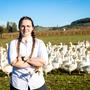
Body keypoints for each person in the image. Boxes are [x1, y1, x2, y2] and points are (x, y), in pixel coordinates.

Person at [8, 16, 48, 90]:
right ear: (19, 28)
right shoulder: (13, 43)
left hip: (37, 83)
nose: (25, 29)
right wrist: (35, 62)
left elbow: (43, 62)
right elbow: (13, 62)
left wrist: (25, 59)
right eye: (22, 26)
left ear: (32, 28)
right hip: (18, 84)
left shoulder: (39, 43)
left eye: (28, 26)